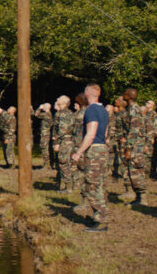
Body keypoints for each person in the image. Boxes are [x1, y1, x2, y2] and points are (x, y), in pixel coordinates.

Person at [71, 83, 109, 232]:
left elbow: (91, 134)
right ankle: (100, 217)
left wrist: (79, 152)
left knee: (92, 185)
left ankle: (100, 220)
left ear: (87, 95)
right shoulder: (104, 110)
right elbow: (105, 133)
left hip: (93, 151)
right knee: (100, 184)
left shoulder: (91, 110)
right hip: (103, 148)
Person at [121, 88, 149, 205]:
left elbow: (134, 131)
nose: (123, 95)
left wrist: (128, 148)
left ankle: (142, 198)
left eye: (125, 93)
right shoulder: (131, 109)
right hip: (135, 145)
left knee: (136, 171)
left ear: (129, 96)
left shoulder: (134, 110)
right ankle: (139, 197)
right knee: (133, 171)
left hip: (136, 146)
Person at [52, 96, 76, 192]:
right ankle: (67, 185)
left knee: (64, 163)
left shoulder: (63, 114)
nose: (57, 100)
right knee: (66, 163)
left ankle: (68, 187)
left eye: (59, 99)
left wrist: (56, 142)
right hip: (68, 140)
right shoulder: (69, 113)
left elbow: (62, 129)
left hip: (64, 141)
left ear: (64, 102)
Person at [144, 100, 157, 177]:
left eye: (150, 104)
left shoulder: (154, 114)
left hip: (150, 138)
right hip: (143, 137)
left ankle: (149, 172)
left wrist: (153, 137)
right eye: (147, 103)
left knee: (149, 156)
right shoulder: (143, 113)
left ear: (153, 106)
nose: (148, 105)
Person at [34, 103, 54, 170]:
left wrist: (39, 108)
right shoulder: (49, 114)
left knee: (44, 149)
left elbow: (36, 114)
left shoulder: (46, 114)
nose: (43, 108)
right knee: (48, 149)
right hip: (47, 133)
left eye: (44, 107)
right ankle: (49, 164)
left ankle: (46, 165)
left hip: (45, 134)